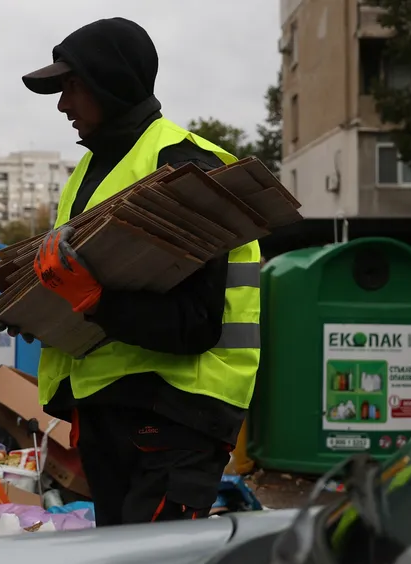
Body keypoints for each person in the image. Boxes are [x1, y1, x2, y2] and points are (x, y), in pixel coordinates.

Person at [21, 17, 261, 527]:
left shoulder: (182, 163)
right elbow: (86, 289)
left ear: (111, 81)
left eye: (71, 86)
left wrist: (91, 300)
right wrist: (40, 310)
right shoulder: (88, 174)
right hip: (112, 412)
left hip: (176, 414)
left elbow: (195, 323)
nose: (62, 104)